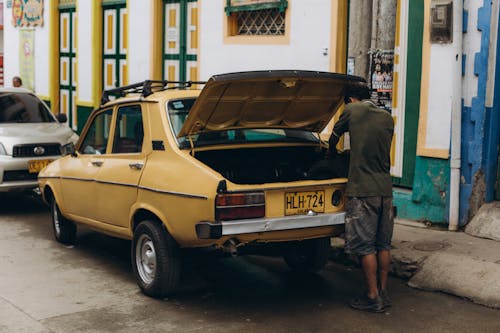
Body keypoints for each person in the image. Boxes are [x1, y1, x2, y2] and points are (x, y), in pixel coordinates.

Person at [329, 83, 394, 313]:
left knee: (365, 247)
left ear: (350, 99)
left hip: (362, 189)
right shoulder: (387, 116)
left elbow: (334, 137)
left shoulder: (351, 111)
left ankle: (372, 295)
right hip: (385, 190)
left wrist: (331, 156)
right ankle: (383, 293)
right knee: (383, 244)